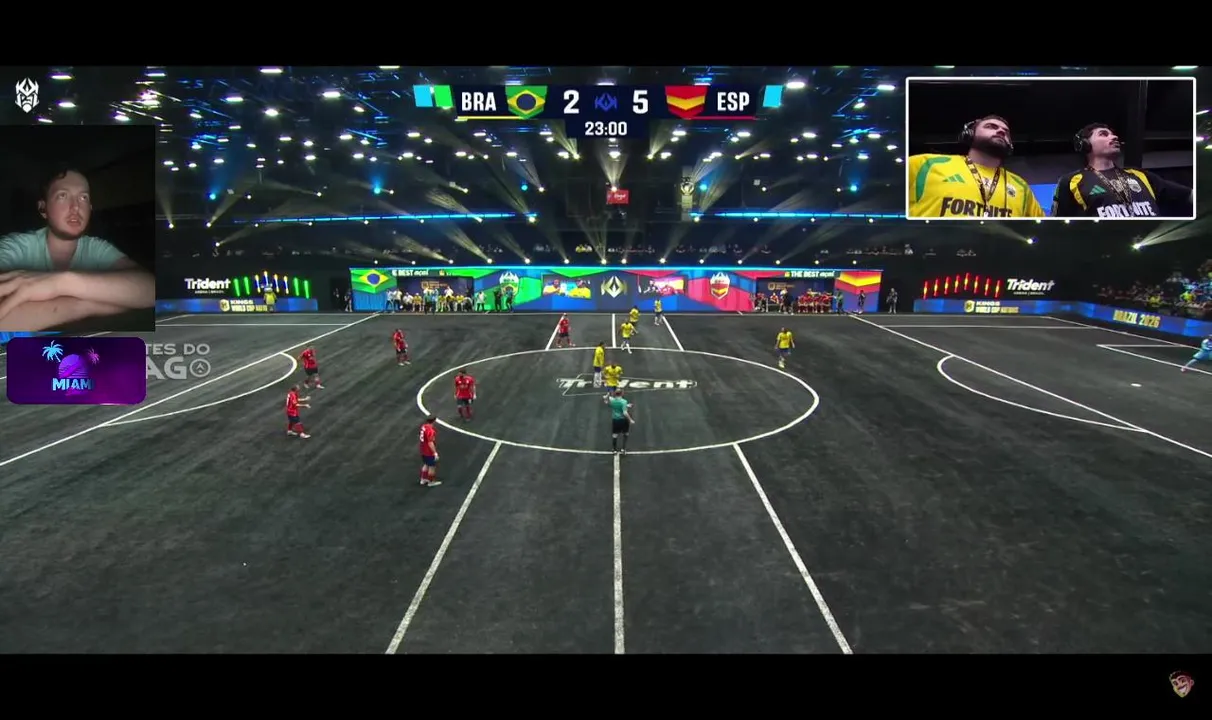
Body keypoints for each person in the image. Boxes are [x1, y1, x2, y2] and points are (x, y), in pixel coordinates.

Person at [0, 167, 155, 330]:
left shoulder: (96, 248)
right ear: (43, 208)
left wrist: (62, 283)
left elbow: (150, 290)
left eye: (83, 197)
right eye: (63, 196)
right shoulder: (15, 247)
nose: (75, 207)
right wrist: (85, 306)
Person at [908, 115, 1045, 219]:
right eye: (991, 127)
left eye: (1006, 132)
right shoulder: (924, 164)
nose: (1001, 132)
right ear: (969, 134)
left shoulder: (1021, 186)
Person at [1052, 123, 1194, 219]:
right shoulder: (1071, 181)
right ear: (1085, 144)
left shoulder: (1140, 175)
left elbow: (1188, 195)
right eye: (1103, 134)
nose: (1114, 137)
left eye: (1113, 134)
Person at [604, 389, 636, 455]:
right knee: (625, 434)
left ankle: (614, 450)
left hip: (615, 420)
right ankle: (623, 449)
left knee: (615, 435)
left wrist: (607, 396)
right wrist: (630, 420)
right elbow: (625, 412)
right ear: (622, 393)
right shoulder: (624, 401)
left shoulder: (612, 400)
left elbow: (606, 401)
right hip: (623, 420)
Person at [418, 416, 441, 487]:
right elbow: (430, 442)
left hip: (423, 449)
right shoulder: (430, 431)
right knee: (432, 466)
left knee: (426, 464)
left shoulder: (423, 427)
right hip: (428, 451)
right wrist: (435, 453)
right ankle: (431, 482)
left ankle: (423, 479)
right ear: (434, 421)